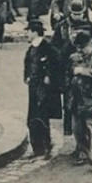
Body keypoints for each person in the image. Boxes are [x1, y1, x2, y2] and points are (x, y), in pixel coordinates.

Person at [67, 27, 92, 168]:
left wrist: (82, 71)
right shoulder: (74, 57)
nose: (80, 50)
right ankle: (83, 152)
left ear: (90, 45)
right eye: (78, 47)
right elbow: (68, 74)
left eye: (83, 47)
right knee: (77, 128)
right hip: (77, 98)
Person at [24, 19, 65, 159]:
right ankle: (37, 148)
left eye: (28, 32)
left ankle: (47, 147)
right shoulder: (31, 48)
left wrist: (49, 76)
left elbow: (57, 64)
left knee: (43, 117)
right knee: (32, 118)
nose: (27, 34)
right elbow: (28, 64)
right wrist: (27, 77)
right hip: (33, 87)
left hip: (44, 89)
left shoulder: (48, 48)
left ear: (35, 32)